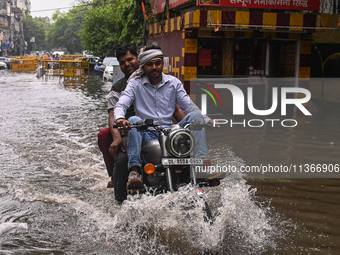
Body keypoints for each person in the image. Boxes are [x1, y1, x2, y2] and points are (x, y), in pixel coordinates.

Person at [98, 45, 188, 202]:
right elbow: (113, 115)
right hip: (130, 131)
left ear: (139, 60)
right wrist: (118, 137)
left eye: (130, 59)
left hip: (158, 131)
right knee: (121, 161)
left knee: (185, 153)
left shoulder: (162, 82)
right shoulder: (119, 86)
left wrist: (191, 124)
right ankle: (121, 199)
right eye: (122, 62)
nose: (127, 64)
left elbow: (175, 109)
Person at [114, 46, 211, 190]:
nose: (154, 67)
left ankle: (203, 164)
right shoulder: (135, 84)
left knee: (196, 116)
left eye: (157, 63)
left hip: (171, 132)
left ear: (162, 64)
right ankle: (134, 171)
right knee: (134, 119)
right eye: (149, 64)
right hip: (146, 133)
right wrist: (120, 118)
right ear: (143, 66)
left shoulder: (174, 83)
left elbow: (188, 106)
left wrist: (207, 120)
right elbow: (121, 104)